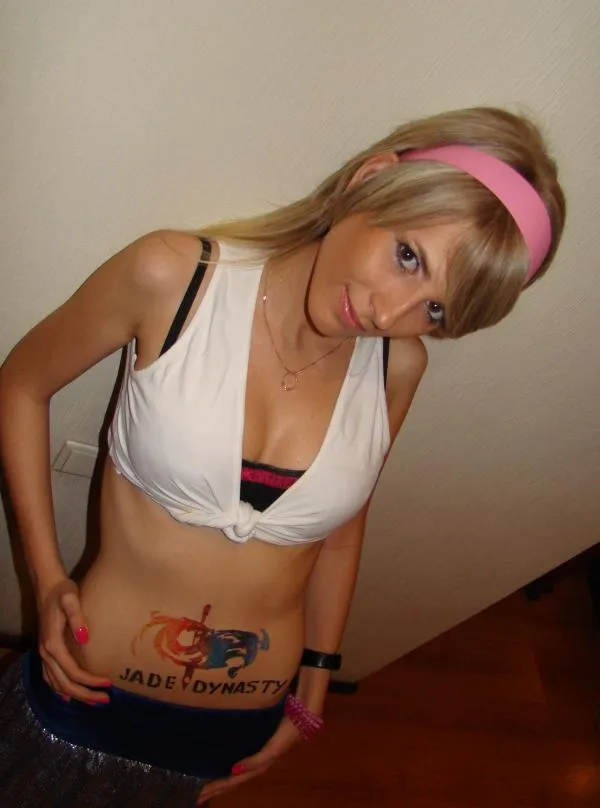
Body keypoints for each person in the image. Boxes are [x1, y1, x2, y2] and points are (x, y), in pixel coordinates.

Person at [0, 106, 565, 807]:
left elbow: (342, 529)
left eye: (436, 309)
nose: (391, 315)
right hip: (85, 683)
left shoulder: (396, 366)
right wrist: (46, 578)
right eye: (408, 257)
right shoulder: (174, 278)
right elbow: (22, 385)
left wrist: (315, 684)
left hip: (239, 720)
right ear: (369, 179)